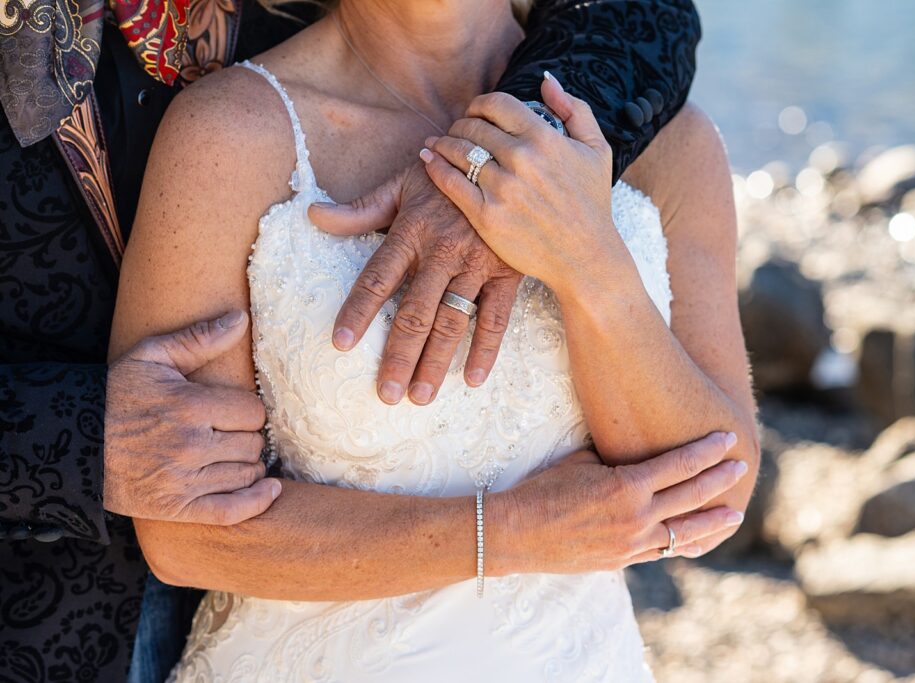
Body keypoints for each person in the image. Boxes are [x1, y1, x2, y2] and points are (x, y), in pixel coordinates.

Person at [0, 1, 711, 682]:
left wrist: (508, 177)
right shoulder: (232, 131)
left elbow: (711, 484)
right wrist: (76, 431)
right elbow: (191, 527)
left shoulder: (647, 122)